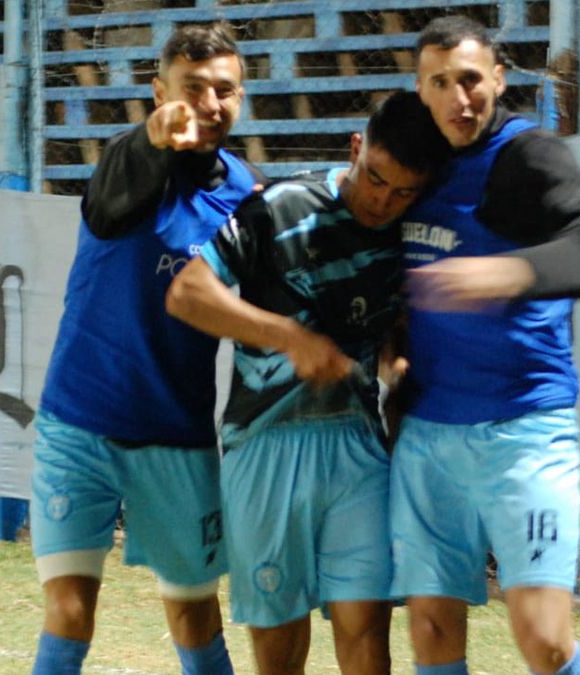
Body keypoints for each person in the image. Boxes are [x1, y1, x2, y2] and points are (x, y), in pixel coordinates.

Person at [165, 90, 450, 675]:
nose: (382, 201)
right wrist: (288, 337)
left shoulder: (410, 231)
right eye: (374, 179)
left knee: (366, 627)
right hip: (265, 444)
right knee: (279, 645)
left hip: (356, 448)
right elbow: (187, 294)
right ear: (355, 148)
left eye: (402, 192)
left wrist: (395, 361)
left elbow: (393, 318)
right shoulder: (279, 205)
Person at [30, 24, 261, 675]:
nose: (210, 104)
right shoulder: (124, 163)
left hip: (177, 437)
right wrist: (155, 137)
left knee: (193, 612)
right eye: (193, 89)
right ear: (159, 92)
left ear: (241, 96)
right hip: (80, 424)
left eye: (225, 90)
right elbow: (106, 210)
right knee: (72, 609)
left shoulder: (245, 196)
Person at [390, 15, 580, 675]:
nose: (459, 100)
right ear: (419, 88)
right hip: (428, 435)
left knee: (543, 638)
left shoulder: (529, 155)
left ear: (497, 78)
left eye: (469, 80)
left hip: (523, 431)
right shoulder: (412, 164)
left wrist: (506, 272)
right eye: (440, 83)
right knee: (431, 630)